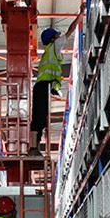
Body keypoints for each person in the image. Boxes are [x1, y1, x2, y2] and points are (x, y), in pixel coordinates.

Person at [29, 20, 78, 155]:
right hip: (44, 86)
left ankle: (34, 147)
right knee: (40, 118)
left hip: (41, 87)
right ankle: (33, 148)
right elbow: (70, 31)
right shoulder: (55, 46)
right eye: (56, 35)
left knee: (39, 118)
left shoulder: (47, 53)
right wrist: (80, 15)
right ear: (52, 38)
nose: (59, 37)